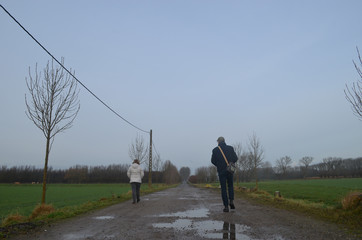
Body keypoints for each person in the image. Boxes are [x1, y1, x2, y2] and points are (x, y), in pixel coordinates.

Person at [211, 136, 238, 212]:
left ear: (218, 142)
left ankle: (226, 206)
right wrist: (230, 163)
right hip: (230, 170)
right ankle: (231, 201)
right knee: (230, 186)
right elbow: (235, 158)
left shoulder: (215, 150)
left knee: (223, 188)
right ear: (224, 141)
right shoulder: (230, 148)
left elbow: (213, 161)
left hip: (221, 171)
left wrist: (219, 165)